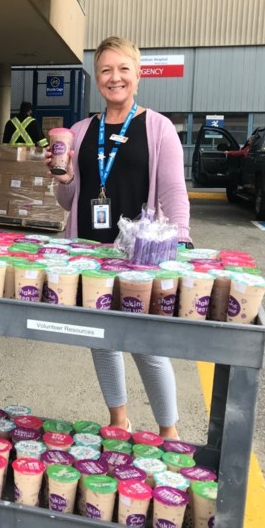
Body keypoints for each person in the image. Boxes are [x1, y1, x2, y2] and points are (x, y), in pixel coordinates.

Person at [44, 36, 192, 439]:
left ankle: (169, 431)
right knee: (102, 341)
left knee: (148, 345)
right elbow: (67, 200)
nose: (115, 78)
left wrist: (181, 240)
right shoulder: (79, 130)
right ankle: (118, 418)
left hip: (140, 258)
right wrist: (64, 176)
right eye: (106, 70)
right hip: (90, 255)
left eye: (123, 69)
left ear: (138, 75)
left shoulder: (158, 128)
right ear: (97, 78)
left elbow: (173, 191)